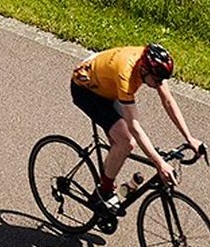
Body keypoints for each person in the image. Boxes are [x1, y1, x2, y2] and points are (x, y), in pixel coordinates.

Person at [69, 42, 202, 225]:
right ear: (144, 70)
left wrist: (189, 137)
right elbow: (135, 127)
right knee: (126, 142)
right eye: (157, 80)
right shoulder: (126, 75)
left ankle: (108, 179)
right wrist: (159, 163)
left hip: (107, 84)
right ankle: (104, 191)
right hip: (86, 90)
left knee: (120, 144)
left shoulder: (150, 67)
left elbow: (168, 101)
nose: (160, 84)